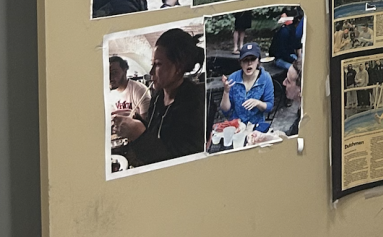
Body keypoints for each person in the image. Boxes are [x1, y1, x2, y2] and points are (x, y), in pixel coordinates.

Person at [115, 28, 205, 166]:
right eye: (153, 64)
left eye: (158, 64)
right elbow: (154, 132)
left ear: (178, 67)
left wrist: (138, 134)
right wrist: (136, 120)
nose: (151, 72)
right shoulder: (158, 96)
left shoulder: (195, 105)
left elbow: (178, 161)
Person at [219, 44, 275, 133]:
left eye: (252, 59)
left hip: (256, 127)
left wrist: (258, 103)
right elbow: (225, 110)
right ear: (240, 62)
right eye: (245, 60)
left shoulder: (265, 78)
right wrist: (226, 92)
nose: (249, 63)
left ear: (258, 61)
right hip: (236, 126)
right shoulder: (233, 78)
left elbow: (269, 106)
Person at [107, 56, 151, 154]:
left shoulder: (139, 90)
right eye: (107, 73)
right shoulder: (111, 95)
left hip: (139, 142)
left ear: (125, 71)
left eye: (114, 72)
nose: (110, 77)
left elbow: (147, 123)